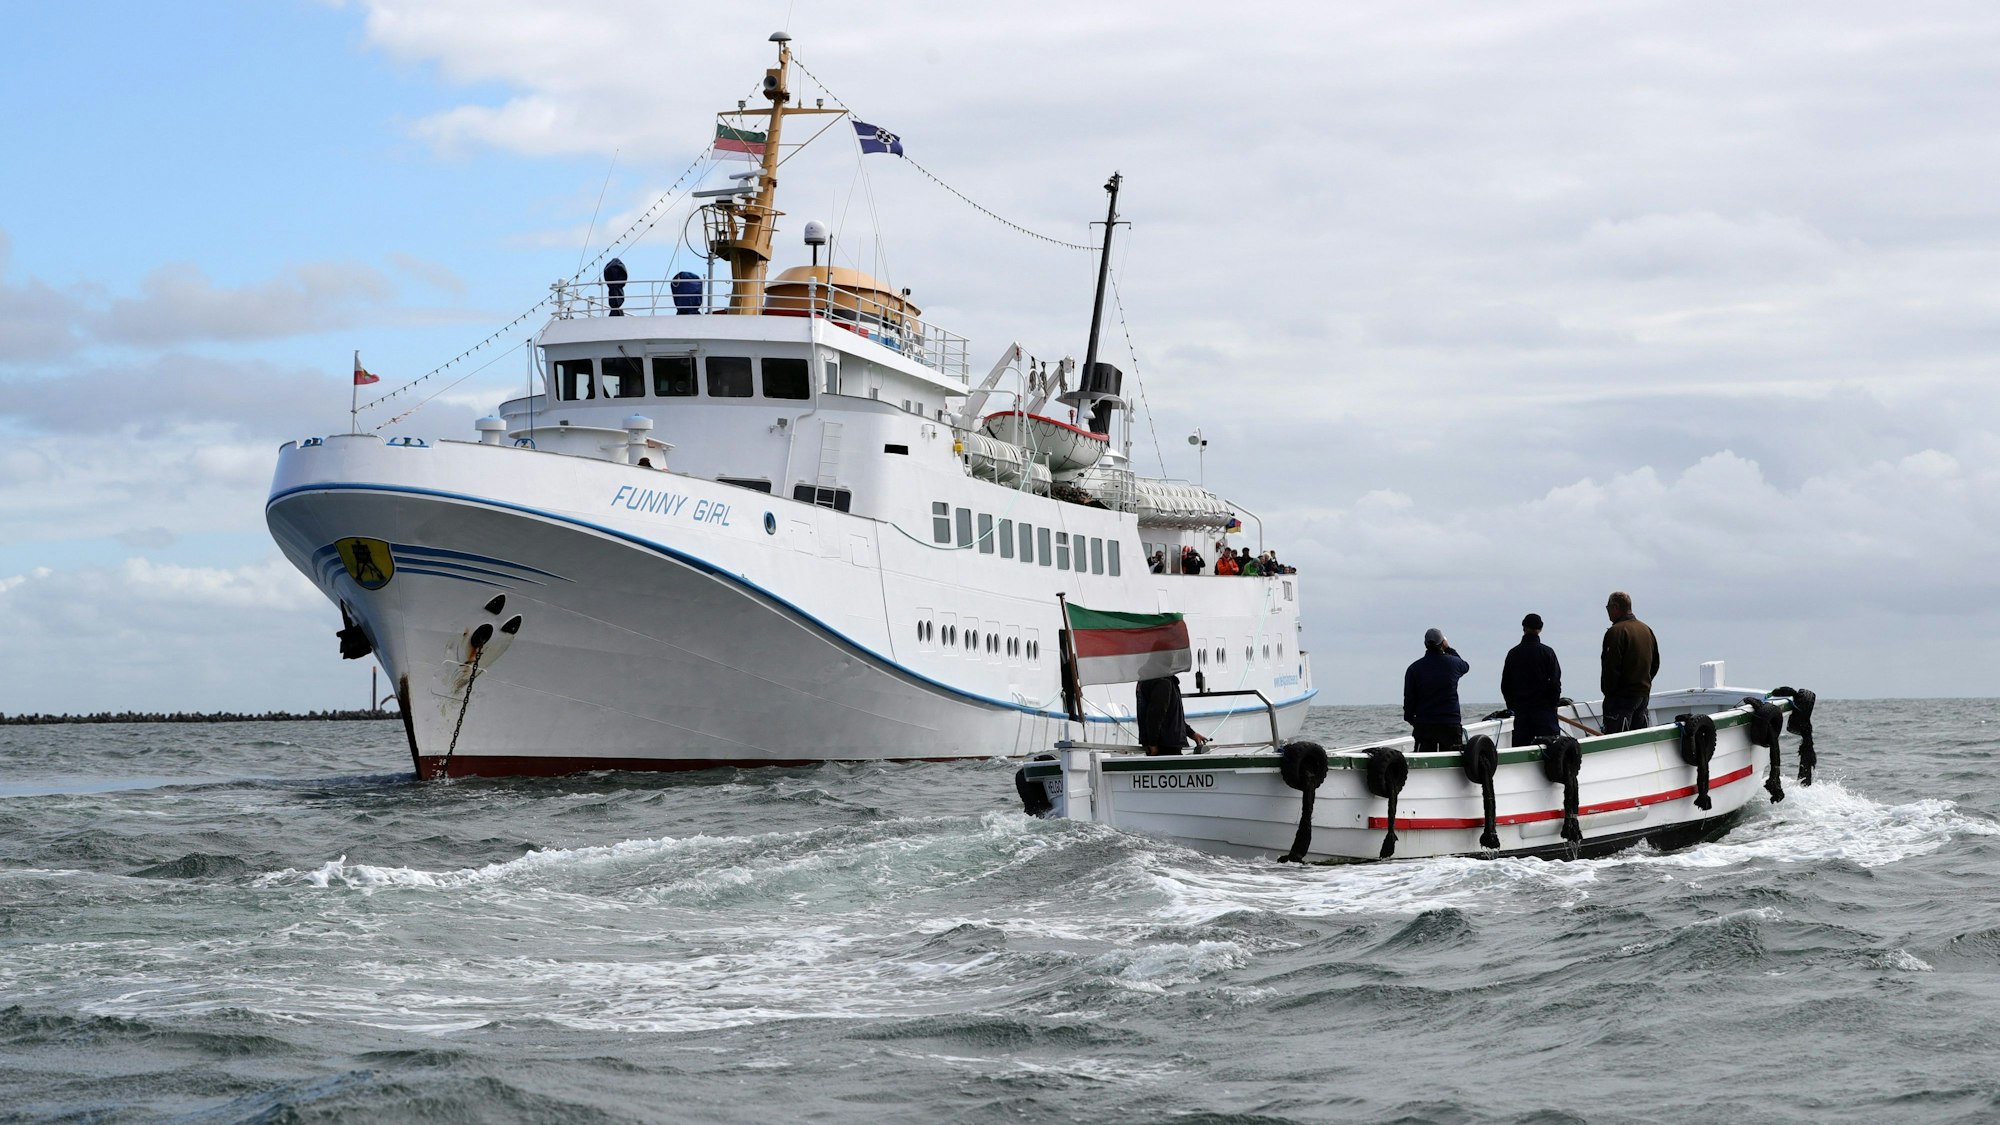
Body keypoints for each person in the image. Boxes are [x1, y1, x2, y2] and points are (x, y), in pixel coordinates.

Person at [1600, 591, 1660, 733]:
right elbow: (1655, 663)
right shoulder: (1646, 629)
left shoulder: (1616, 632)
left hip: (1621, 699)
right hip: (1642, 695)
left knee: (1616, 741)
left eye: (1608, 608)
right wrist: (1645, 682)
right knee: (1639, 739)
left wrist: (1609, 692)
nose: (1607, 612)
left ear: (1615, 607)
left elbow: (1611, 667)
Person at [1500, 613, 1563, 747]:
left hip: (1522, 712)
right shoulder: (1548, 652)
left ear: (1524, 628)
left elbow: (1505, 685)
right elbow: (1555, 682)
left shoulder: (1513, 653)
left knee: (1521, 751)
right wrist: (1554, 703)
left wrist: (1513, 706)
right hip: (1544, 711)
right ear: (1540, 629)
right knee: (1551, 751)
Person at [1403, 627, 1469, 752]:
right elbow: (1465, 665)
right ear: (1442, 643)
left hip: (1424, 725)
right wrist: (1448, 648)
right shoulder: (1454, 663)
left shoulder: (1414, 668)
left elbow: (1409, 698)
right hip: (1450, 723)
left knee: (1424, 760)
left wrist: (1410, 719)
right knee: (1451, 762)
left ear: (1425, 644)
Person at [1136, 675, 1210, 755]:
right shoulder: (1163, 682)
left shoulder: (1148, 679)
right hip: (1166, 744)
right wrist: (1153, 743)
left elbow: (1168, 716)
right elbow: (1155, 715)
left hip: (1164, 742)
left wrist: (1192, 733)